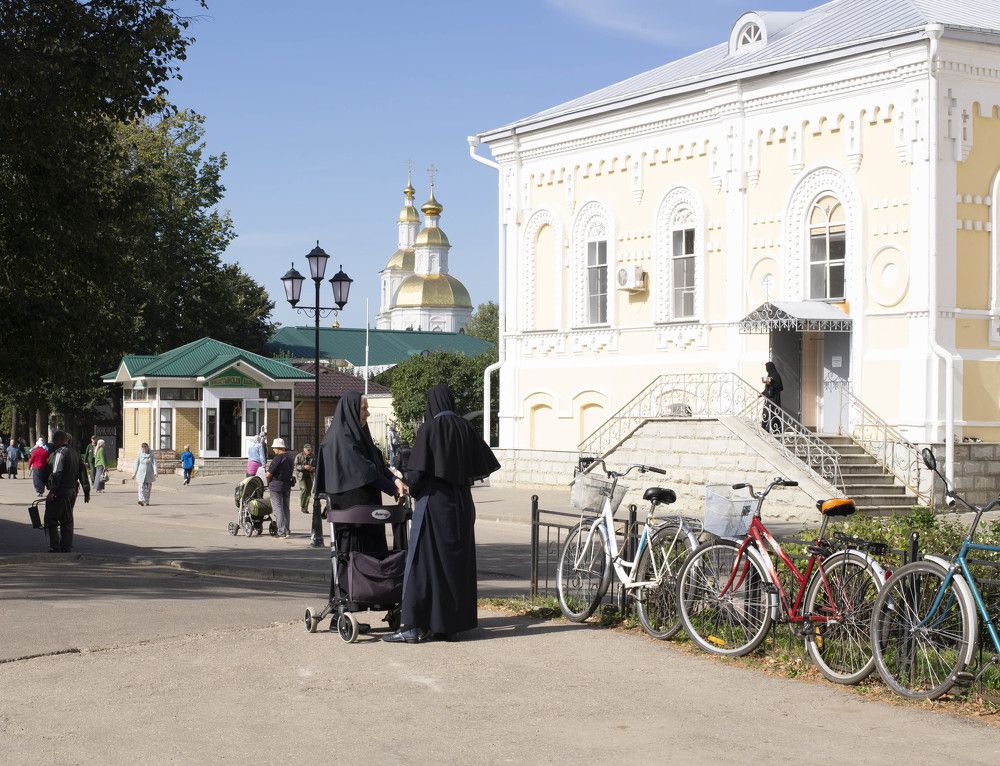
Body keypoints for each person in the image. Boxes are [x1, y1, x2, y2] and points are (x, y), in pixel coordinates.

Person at [384, 384, 500, 644]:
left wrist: (402, 480)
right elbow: (483, 464)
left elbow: (419, 471)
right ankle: (449, 625)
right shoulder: (465, 427)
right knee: (454, 565)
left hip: (435, 504)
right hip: (461, 503)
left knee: (423, 563)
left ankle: (414, 626)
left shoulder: (430, 428)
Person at [314, 391, 406, 581]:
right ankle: (352, 596)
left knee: (373, 554)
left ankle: (375, 594)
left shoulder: (359, 434)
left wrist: (395, 480)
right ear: (352, 410)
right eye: (364, 409)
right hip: (351, 512)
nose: (368, 414)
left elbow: (376, 464)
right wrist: (392, 488)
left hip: (367, 509)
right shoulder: (340, 439)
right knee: (353, 555)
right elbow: (364, 470)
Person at [41, 430, 90, 553]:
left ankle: (54, 546)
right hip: (72, 491)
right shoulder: (75, 453)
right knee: (67, 518)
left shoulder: (60, 453)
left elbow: (57, 473)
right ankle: (67, 545)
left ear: (59, 440)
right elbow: (82, 473)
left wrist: (52, 491)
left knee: (51, 518)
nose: (53, 442)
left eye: (54, 440)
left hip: (60, 491)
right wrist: (86, 490)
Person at [266, 438, 295, 538]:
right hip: (287, 485)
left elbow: (268, 474)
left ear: (278, 448)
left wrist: (266, 481)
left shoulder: (277, 458)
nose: (273, 450)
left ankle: (281, 532)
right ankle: (287, 530)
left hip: (276, 486)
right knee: (286, 508)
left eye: (274, 448)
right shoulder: (290, 458)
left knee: (278, 509)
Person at [759, 361, 784, 434]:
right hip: (769, 398)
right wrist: (761, 394)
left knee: (773, 414)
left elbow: (780, 387)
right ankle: (764, 429)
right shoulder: (769, 375)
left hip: (774, 399)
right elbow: (767, 389)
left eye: (767, 367)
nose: (766, 369)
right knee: (766, 413)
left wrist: (772, 382)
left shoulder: (776, 375)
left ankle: (774, 430)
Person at [293, 443, 315, 515]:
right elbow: (296, 466)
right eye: (308, 450)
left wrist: (311, 468)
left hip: (310, 476)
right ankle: (302, 505)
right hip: (301, 476)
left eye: (310, 450)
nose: (309, 451)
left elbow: (316, 466)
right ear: (304, 449)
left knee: (308, 492)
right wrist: (303, 467)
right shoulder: (299, 456)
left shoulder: (313, 456)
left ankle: (305, 507)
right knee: (304, 489)